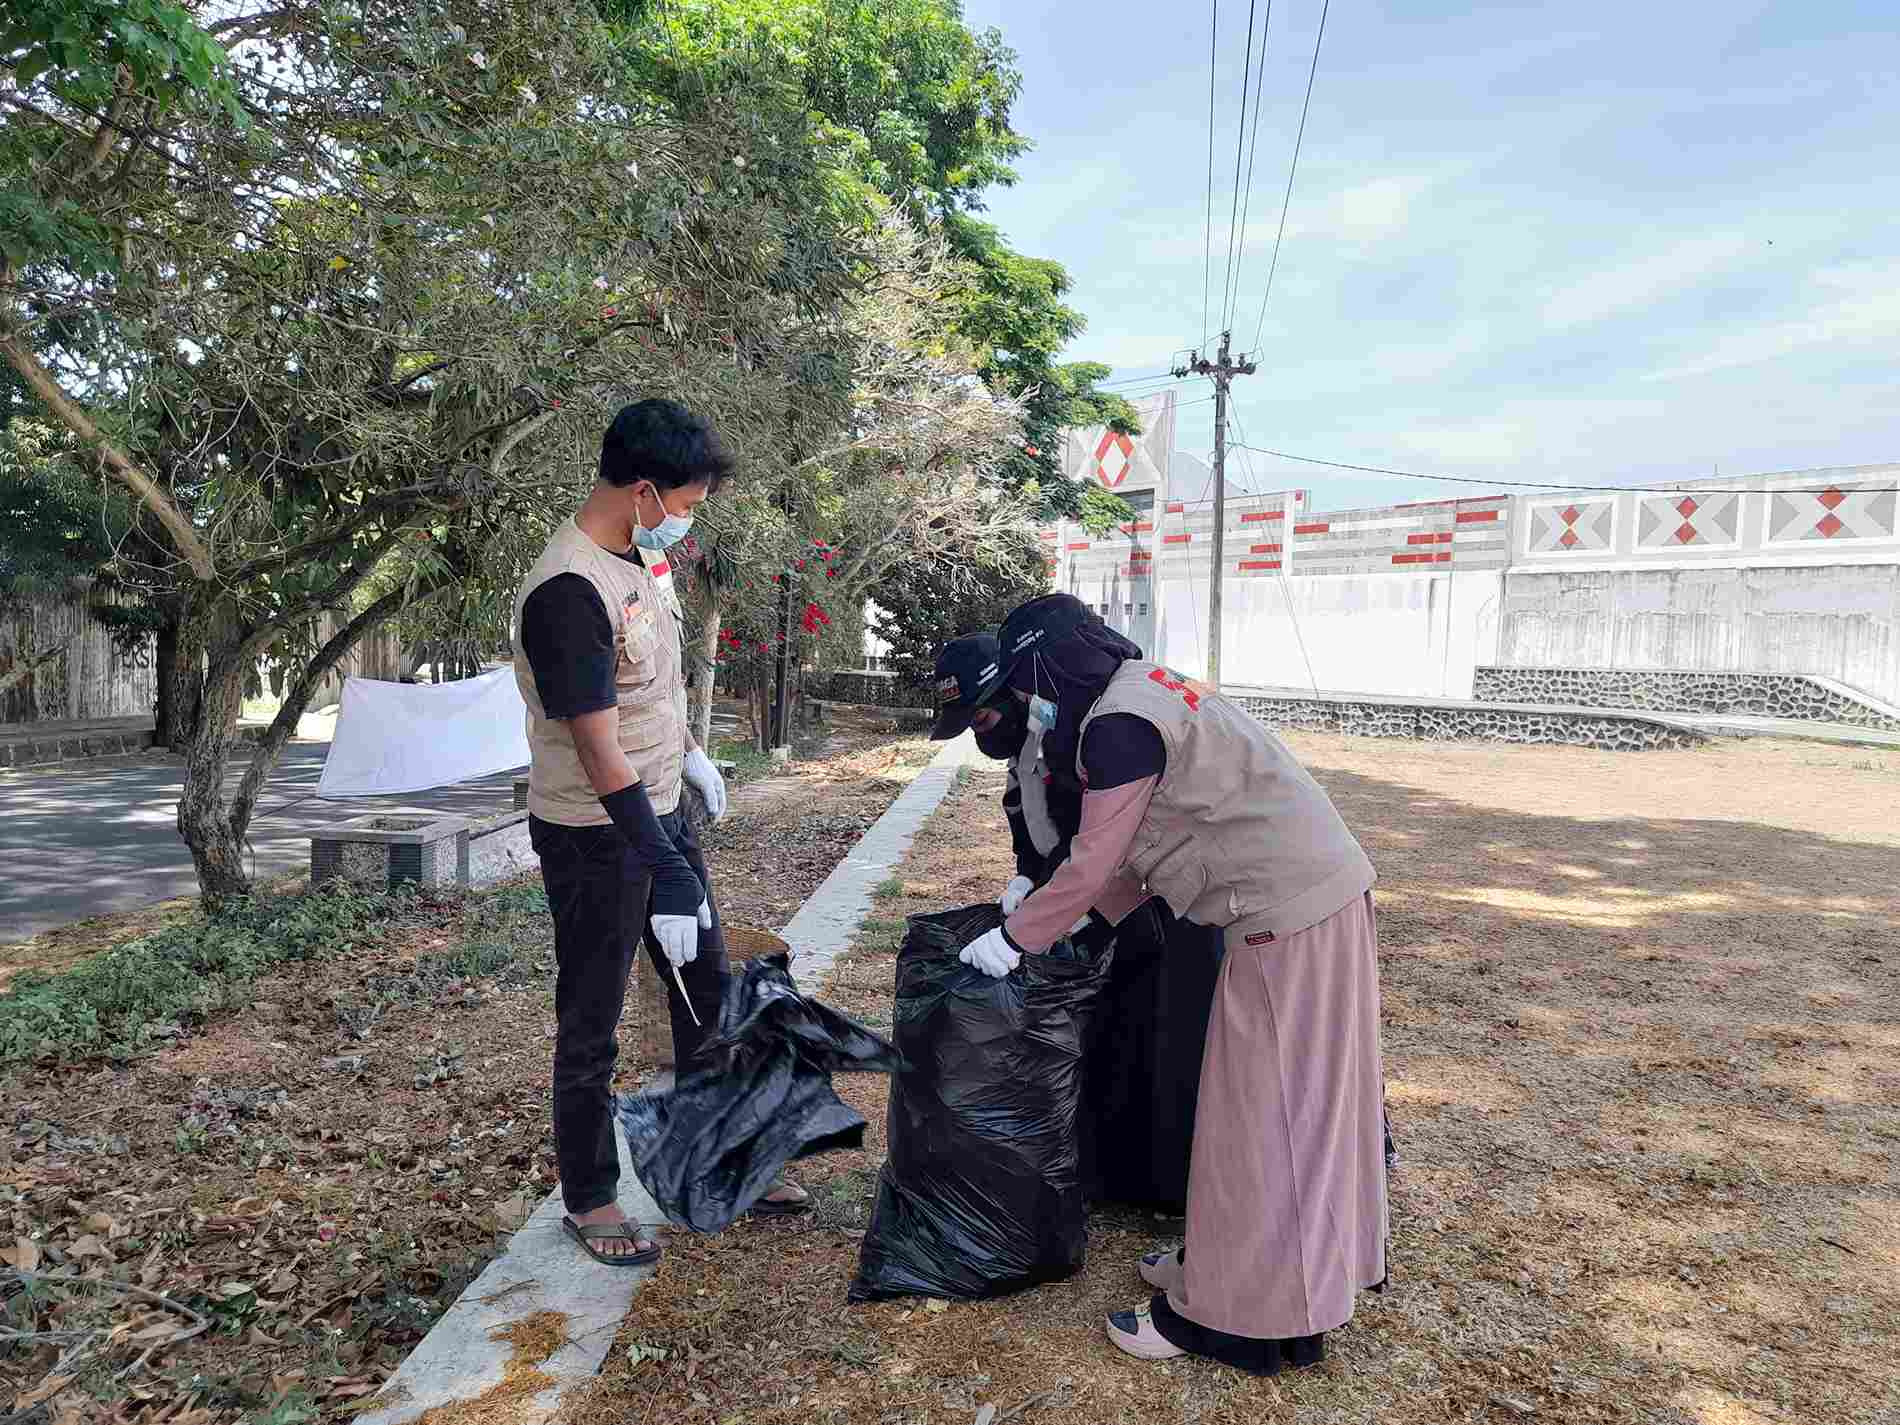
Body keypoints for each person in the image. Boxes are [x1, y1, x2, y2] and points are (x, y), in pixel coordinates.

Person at [957, 593, 1387, 1374]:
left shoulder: (1120, 728)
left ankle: (1229, 1318)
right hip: (1300, 905)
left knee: (1267, 1120)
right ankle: (1227, 1265)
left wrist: (1016, 938)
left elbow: (1092, 861)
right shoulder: (1141, 692)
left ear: (1052, 664)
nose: (1031, 706)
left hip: (1288, 916)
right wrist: (1087, 925)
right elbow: (1138, 860)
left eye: (1028, 685)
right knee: (1250, 1113)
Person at [513, 399, 807, 1268]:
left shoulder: (636, 559)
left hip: (658, 812)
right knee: (594, 1013)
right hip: (596, 835)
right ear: (644, 491)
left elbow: (649, 696)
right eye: (684, 503)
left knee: (706, 989)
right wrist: (662, 864)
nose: (685, 520)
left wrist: (691, 757)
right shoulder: (567, 590)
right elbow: (597, 746)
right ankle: (593, 1197)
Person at [927, 631, 1219, 1213]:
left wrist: (1025, 931)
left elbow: (1101, 847)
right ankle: (1113, 1170)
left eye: (981, 716)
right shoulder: (1026, 748)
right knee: (1105, 1033)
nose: (981, 732)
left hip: (1153, 900)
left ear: (1012, 692)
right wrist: (1025, 876)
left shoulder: (1087, 734)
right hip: (1081, 905)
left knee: (1166, 1035)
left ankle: (1169, 1187)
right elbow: (1029, 819)